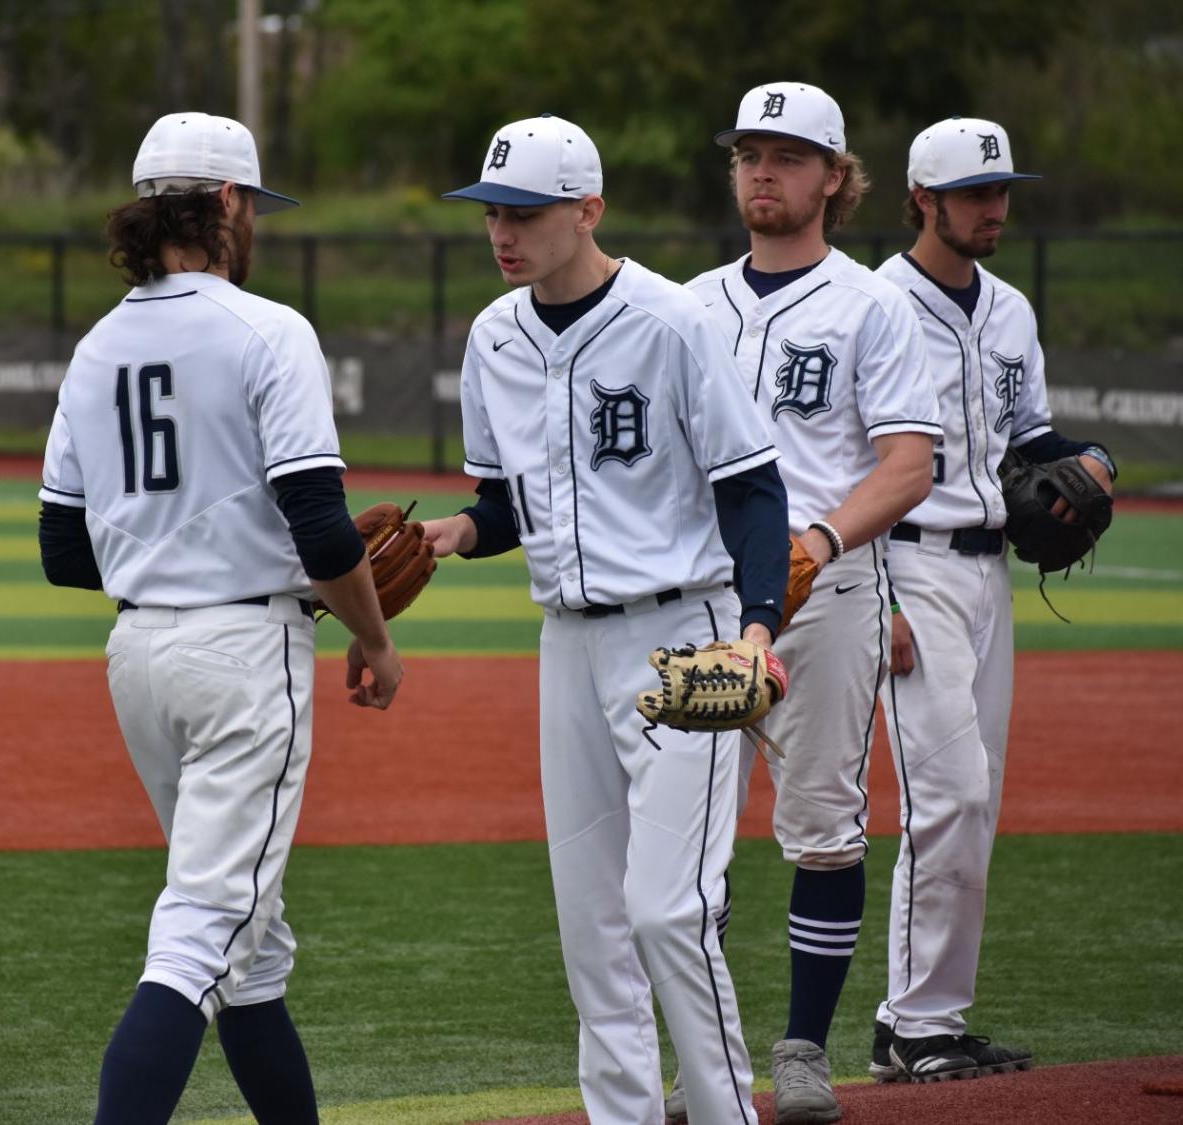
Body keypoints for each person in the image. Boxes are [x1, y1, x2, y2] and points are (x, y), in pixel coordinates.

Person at [423, 113, 792, 1125]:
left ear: (587, 210)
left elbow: (753, 488)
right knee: (593, 930)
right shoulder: (493, 337)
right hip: (568, 647)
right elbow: (508, 501)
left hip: (689, 640)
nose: (503, 233)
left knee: (669, 911)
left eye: (526, 213)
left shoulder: (672, 323)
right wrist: (461, 530)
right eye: (492, 213)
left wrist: (758, 626)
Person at [36, 111, 402, 1125]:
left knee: (252, 949)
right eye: (254, 208)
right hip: (244, 657)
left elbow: (63, 551)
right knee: (202, 934)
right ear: (229, 202)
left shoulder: (97, 346)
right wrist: (374, 638)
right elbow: (320, 526)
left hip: (138, 656)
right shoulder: (268, 330)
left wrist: (177, 551)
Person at [674, 82, 941, 1125]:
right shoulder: (688, 305)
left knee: (824, 828)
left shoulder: (872, 305)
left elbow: (909, 464)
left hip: (822, 597)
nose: (762, 171)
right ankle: (708, 1063)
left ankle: (802, 1052)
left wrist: (821, 538)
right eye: (749, 153)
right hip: (704, 602)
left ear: (835, 177)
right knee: (687, 838)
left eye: (787, 155)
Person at [867, 116, 1114, 1083]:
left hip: (988, 574)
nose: (995, 208)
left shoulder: (1010, 310)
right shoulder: (874, 306)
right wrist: (872, 595)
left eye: (1002, 190)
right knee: (949, 793)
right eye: (975, 193)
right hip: (905, 563)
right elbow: (845, 461)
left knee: (980, 801)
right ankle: (912, 1024)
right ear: (922, 200)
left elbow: (1033, 440)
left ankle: (930, 1019)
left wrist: (1096, 460)